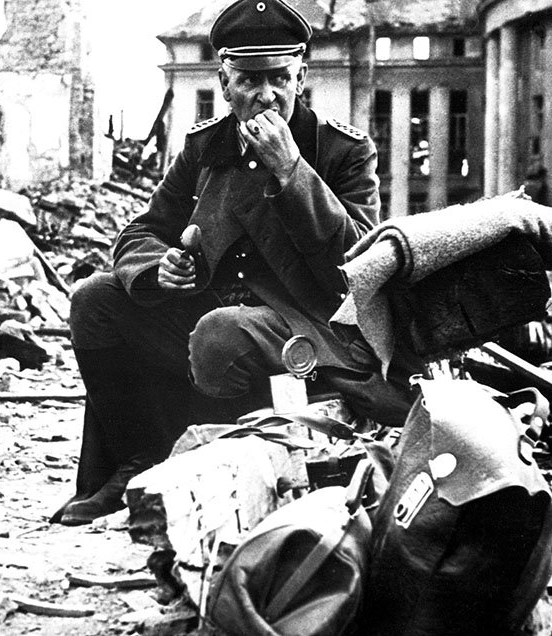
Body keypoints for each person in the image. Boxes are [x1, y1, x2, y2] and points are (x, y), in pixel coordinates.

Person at [52, 0, 425, 526]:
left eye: (279, 78)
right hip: (216, 309)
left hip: (311, 322)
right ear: (225, 84)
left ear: (302, 76)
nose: (266, 94)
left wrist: (293, 172)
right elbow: (143, 230)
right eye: (249, 80)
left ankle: (201, 473)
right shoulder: (207, 146)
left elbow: (359, 264)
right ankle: (133, 462)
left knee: (220, 334)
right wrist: (158, 265)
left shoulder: (342, 151)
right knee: (94, 300)